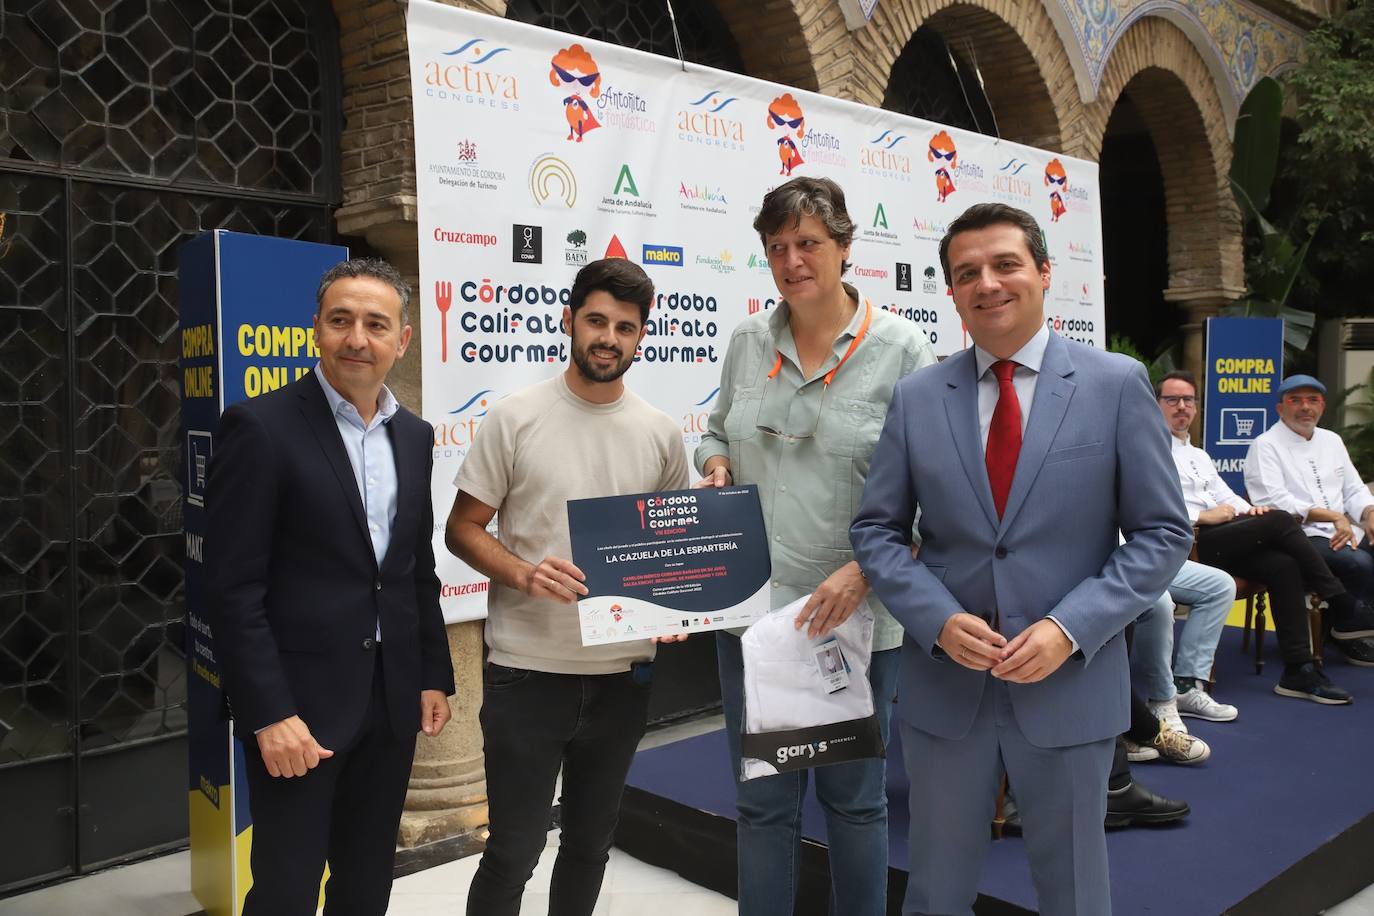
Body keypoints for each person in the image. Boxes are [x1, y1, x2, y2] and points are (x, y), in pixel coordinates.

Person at [851, 202, 1191, 916]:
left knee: (1072, 888)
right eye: (966, 272)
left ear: (1042, 271)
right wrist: (937, 620)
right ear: (952, 291)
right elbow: (877, 530)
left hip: (1069, 688)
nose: (988, 283)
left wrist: (1070, 628)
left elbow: (1163, 533)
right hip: (948, 690)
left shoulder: (1115, 384)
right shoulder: (917, 398)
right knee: (935, 889)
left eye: (1005, 264)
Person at [695, 176, 935, 916]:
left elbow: (934, 494)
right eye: (777, 248)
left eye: (808, 243)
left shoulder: (901, 348)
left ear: (844, 247)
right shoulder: (746, 340)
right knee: (764, 805)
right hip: (756, 619)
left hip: (855, 624)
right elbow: (715, 427)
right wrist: (714, 464)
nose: (792, 260)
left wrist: (866, 572)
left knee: (854, 804)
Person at [205, 257, 455, 915]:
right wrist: (267, 713)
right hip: (299, 714)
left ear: (402, 340)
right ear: (315, 328)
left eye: (376, 324)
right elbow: (231, 589)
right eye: (341, 320)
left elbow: (412, 568)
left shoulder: (414, 435)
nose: (357, 339)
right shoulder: (260, 427)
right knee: (286, 893)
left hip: (390, 703)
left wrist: (432, 672)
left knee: (366, 884)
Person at [446, 258, 689, 916]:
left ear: (642, 338)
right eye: (596, 321)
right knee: (512, 852)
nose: (608, 337)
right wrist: (523, 571)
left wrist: (676, 605)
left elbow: (670, 557)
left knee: (590, 846)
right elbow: (462, 529)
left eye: (625, 327)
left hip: (623, 677)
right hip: (526, 674)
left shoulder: (663, 435)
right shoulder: (515, 417)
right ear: (569, 322)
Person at [1163, 370, 1372, 703]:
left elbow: (1226, 496)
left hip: (1218, 540)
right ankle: (1343, 604)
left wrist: (1249, 511)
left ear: (1196, 407)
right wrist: (1201, 515)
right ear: (1156, 405)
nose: (1181, 407)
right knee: (1279, 520)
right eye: (1172, 400)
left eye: (1188, 400)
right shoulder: (1148, 450)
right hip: (1185, 543)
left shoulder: (1199, 455)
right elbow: (1142, 506)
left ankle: (1298, 670)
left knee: (1282, 564)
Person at [1131, 557, 1235, 738]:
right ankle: (1161, 700)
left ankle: (1185, 686)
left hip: (1141, 553)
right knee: (1159, 601)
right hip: (1108, 559)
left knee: (1221, 585)